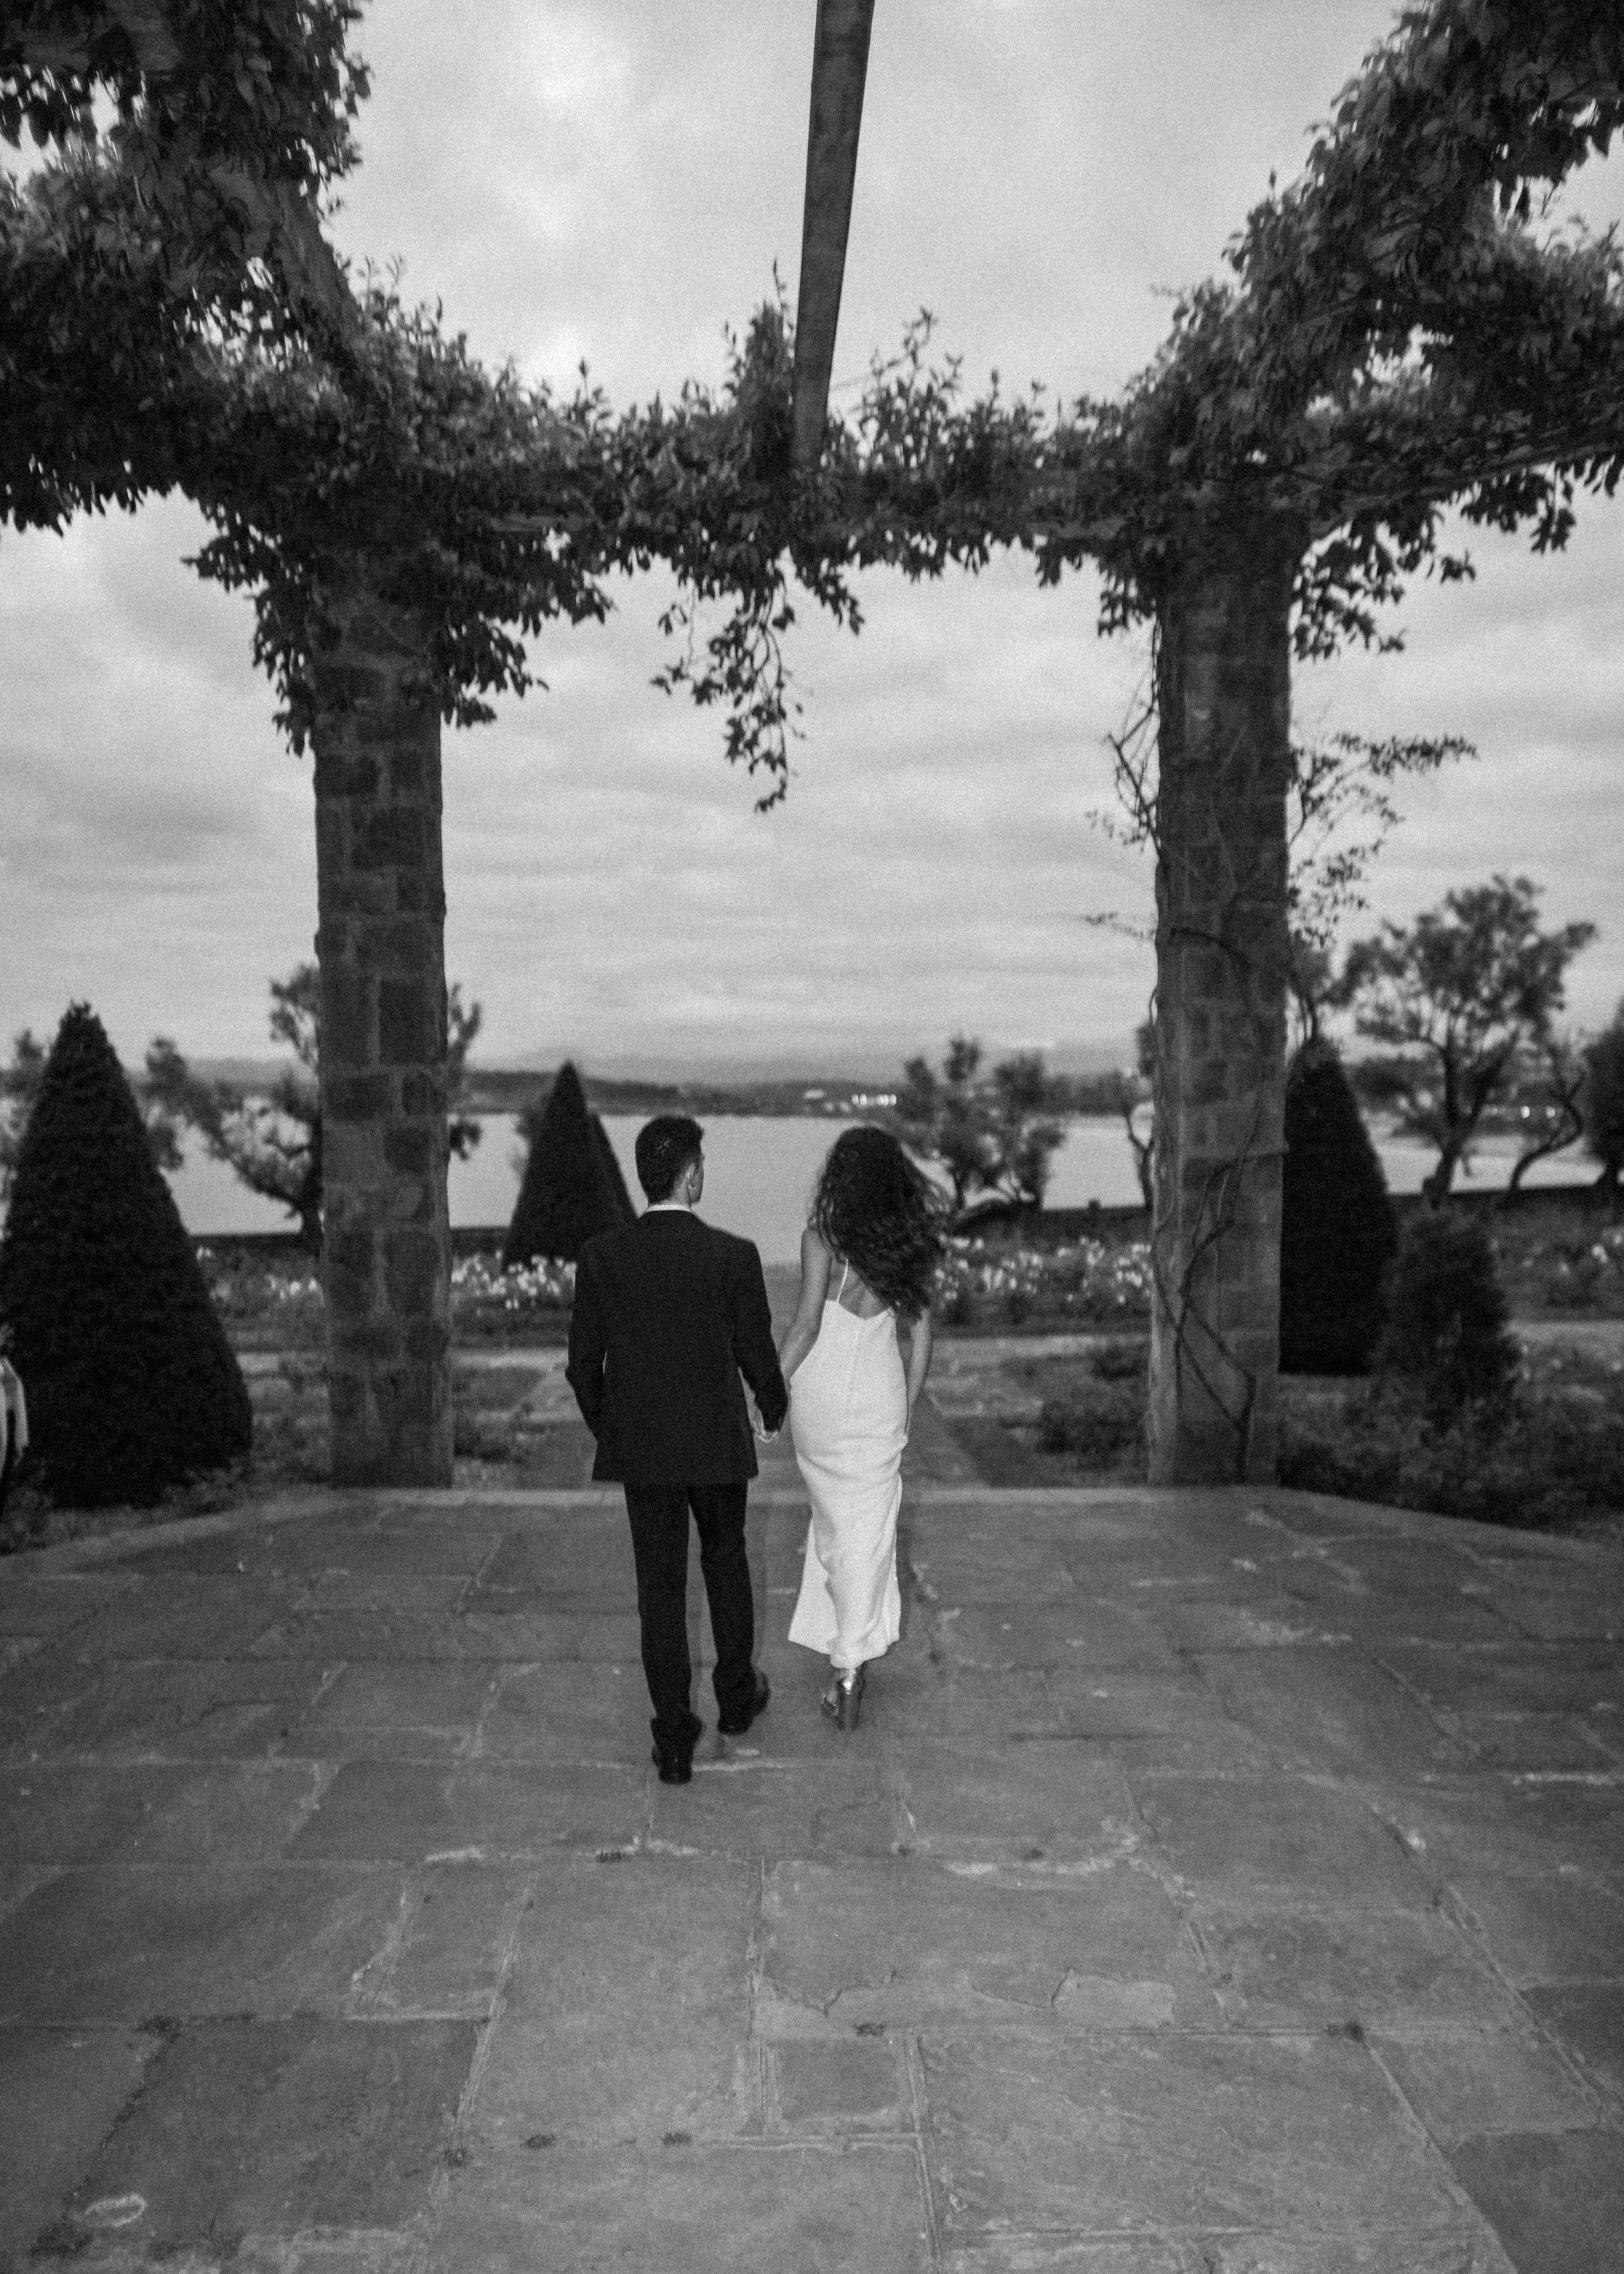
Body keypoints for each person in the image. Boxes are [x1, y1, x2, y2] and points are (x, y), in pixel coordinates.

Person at [567, 1115, 788, 1786]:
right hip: (716, 1445)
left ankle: (671, 1738)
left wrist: (617, 1429)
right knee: (727, 1562)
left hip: (646, 1451)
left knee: (659, 1588)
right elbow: (756, 1352)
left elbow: (583, 1366)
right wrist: (772, 1409)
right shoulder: (733, 1255)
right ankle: (735, 1699)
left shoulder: (603, 1256)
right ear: (691, 1174)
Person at [779, 1126, 944, 1730]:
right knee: (869, 1528)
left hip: (822, 1395)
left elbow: (804, 1329)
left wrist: (769, 1392)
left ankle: (846, 1658)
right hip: (878, 1393)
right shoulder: (909, 1246)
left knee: (832, 1518)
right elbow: (920, 1339)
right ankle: (849, 1668)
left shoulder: (821, 1239)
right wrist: (907, 1402)